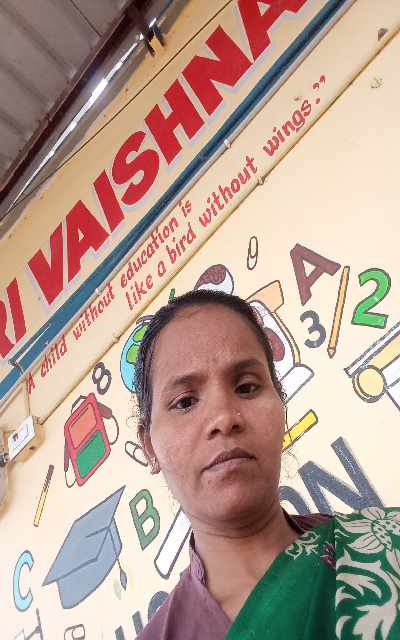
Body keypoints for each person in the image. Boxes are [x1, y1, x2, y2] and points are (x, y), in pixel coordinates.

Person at [135, 289, 400, 639]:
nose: (224, 417)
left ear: (281, 407)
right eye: (185, 402)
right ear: (149, 446)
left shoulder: (383, 550)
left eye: (246, 387)